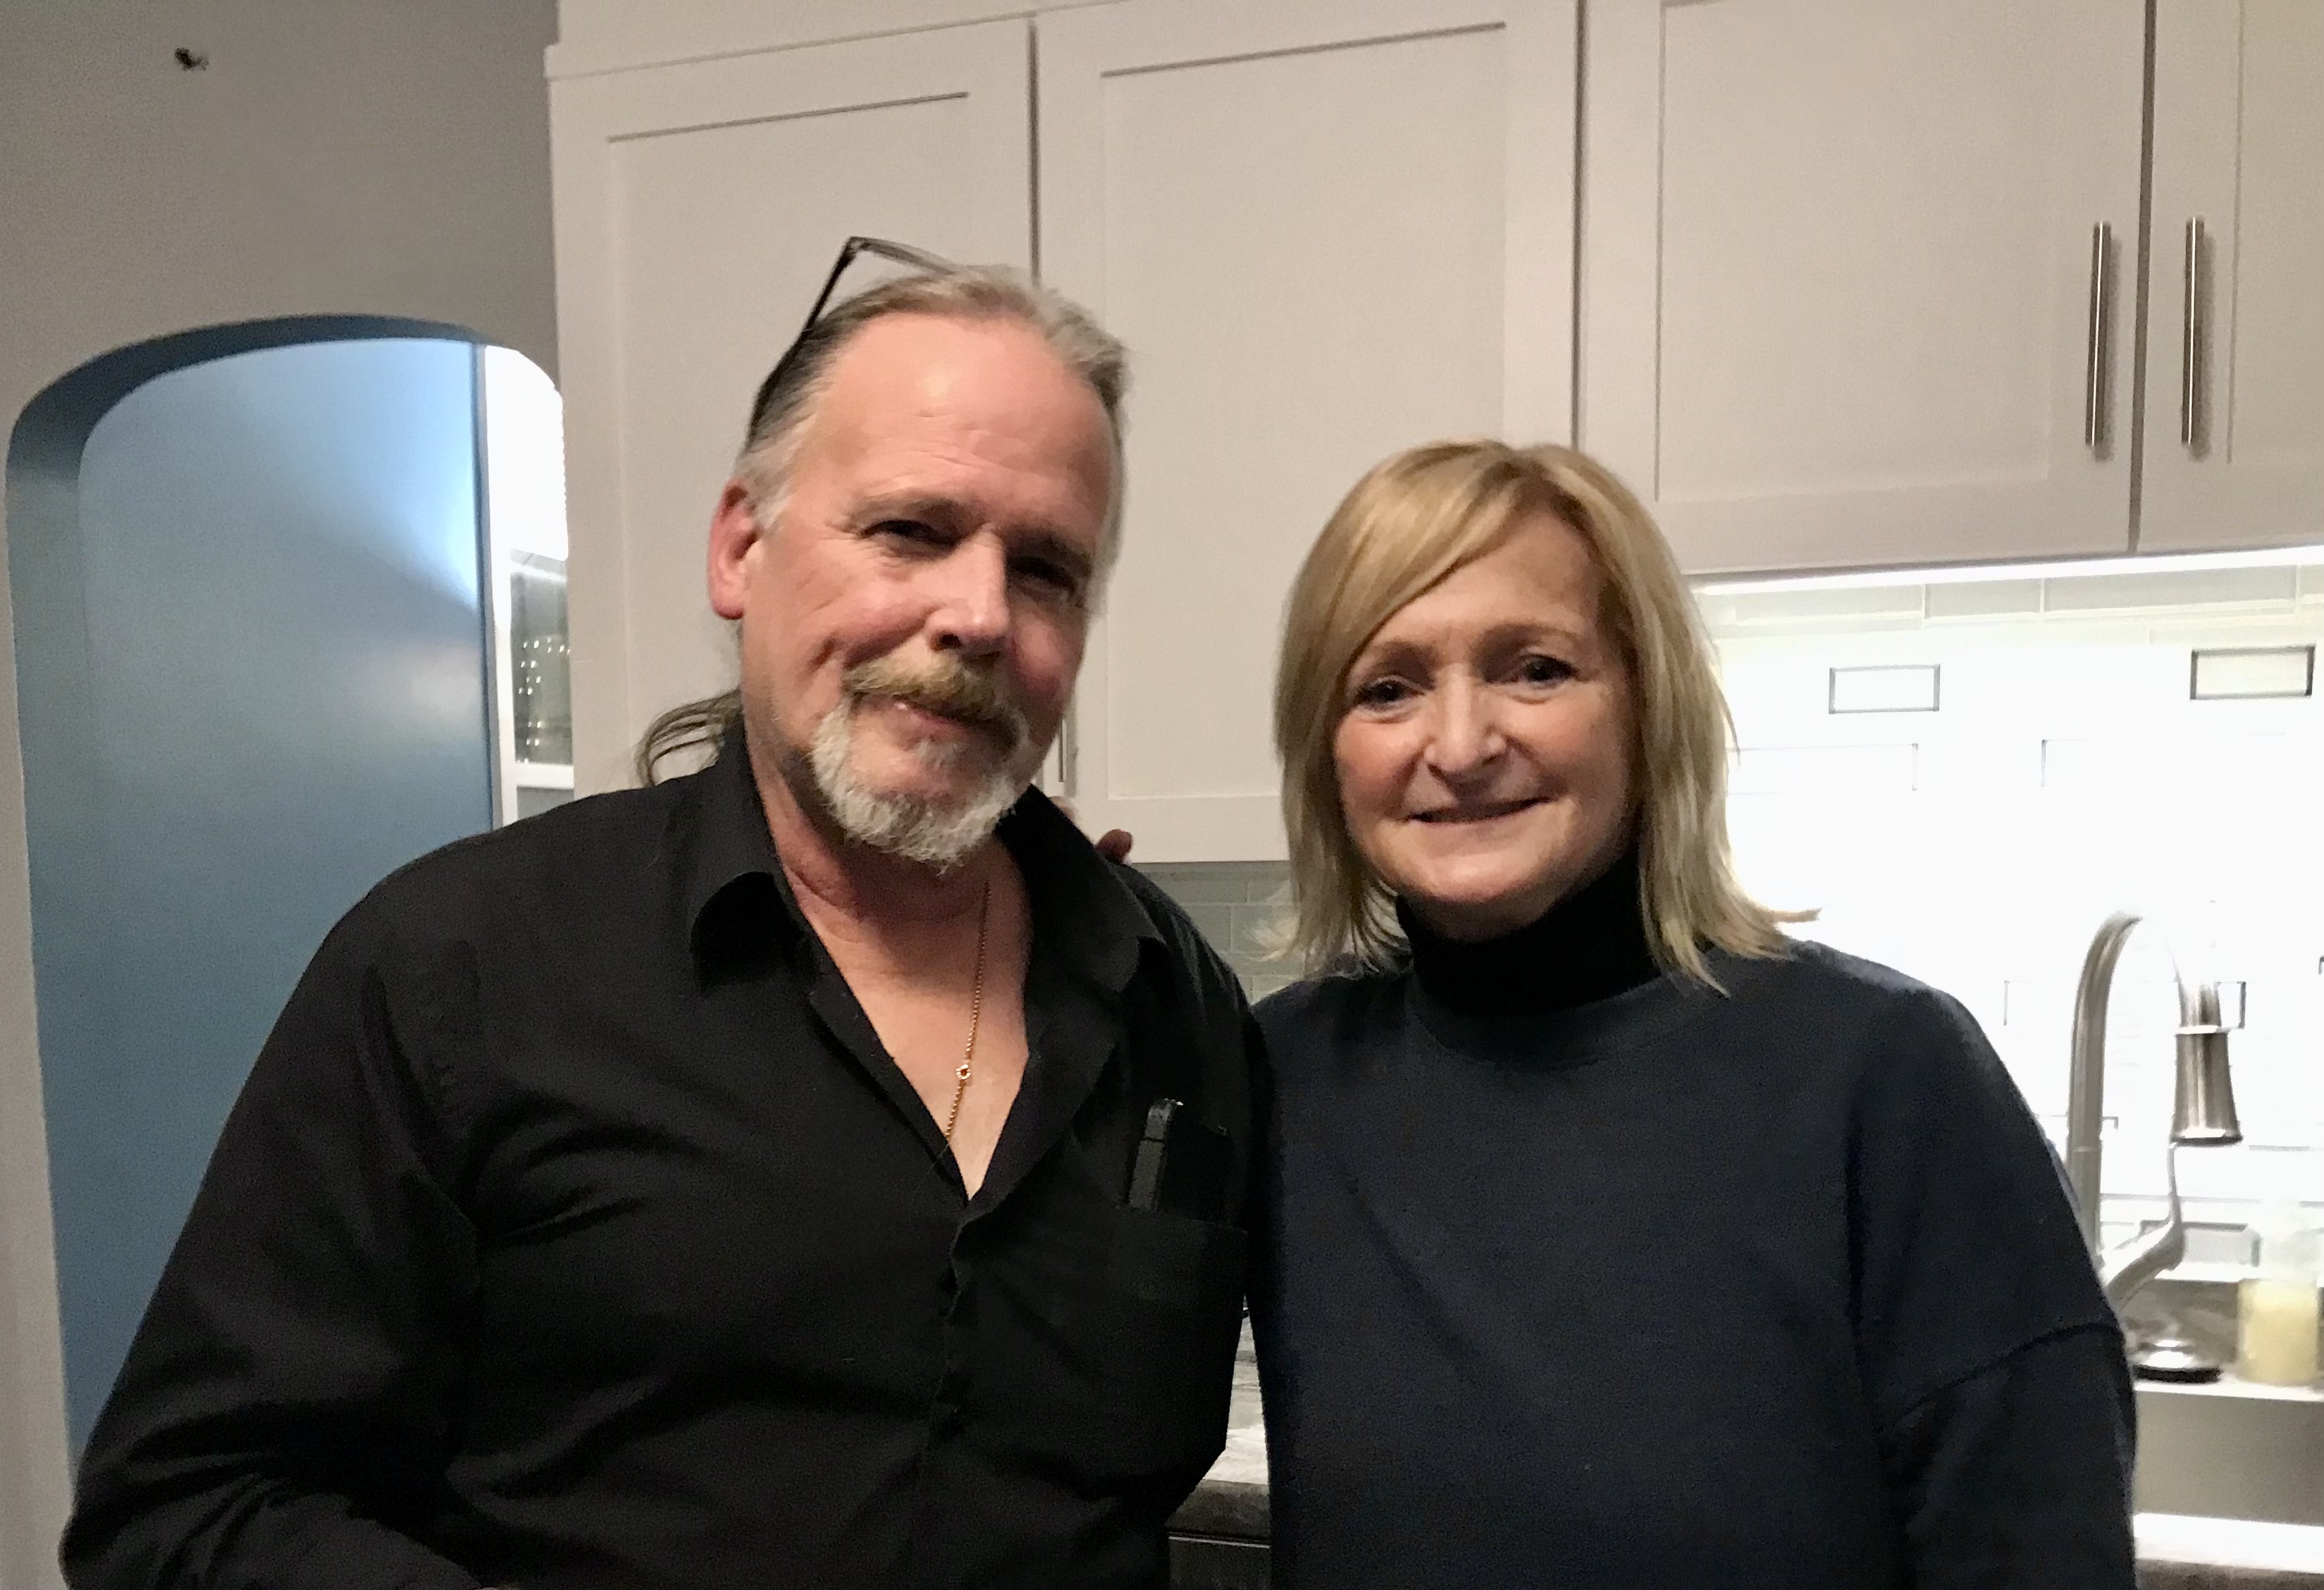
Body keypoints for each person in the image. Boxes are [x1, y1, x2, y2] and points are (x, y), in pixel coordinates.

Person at [62, 258, 1261, 1590]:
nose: (977, 615)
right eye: (911, 530)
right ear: (740, 547)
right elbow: (186, 1511)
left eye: (1044, 570)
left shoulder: (1175, 1005)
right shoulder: (462, 968)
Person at [1249, 440, 2134, 1589]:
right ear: (1326, 750)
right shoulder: (1284, 1076)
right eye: (1387, 687)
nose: (1459, 745)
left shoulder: (1885, 1076)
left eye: (1535, 669)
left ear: (1646, 705)